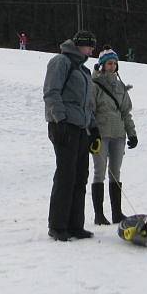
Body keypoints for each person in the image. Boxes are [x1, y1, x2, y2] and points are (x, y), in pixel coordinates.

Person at [43, 30, 101, 241]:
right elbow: (51, 92)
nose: (92, 50)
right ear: (79, 45)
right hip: (64, 127)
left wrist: (94, 128)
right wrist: (60, 119)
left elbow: (87, 105)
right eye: (90, 46)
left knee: (80, 176)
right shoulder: (61, 62)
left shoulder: (83, 70)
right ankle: (57, 225)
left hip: (81, 128)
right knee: (66, 175)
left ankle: (76, 224)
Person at [90, 49, 137, 225]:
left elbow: (126, 113)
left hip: (118, 135)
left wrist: (132, 133)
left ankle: (117, 212)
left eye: (114, 63)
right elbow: (90, 111)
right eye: (109, 63)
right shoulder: (94, 85)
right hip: (101, 135)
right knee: (99, 172)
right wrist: (92, 133)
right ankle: (99, 215)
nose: (112, 66)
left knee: (115, 173)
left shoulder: (120, 87)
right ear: (102, 65)